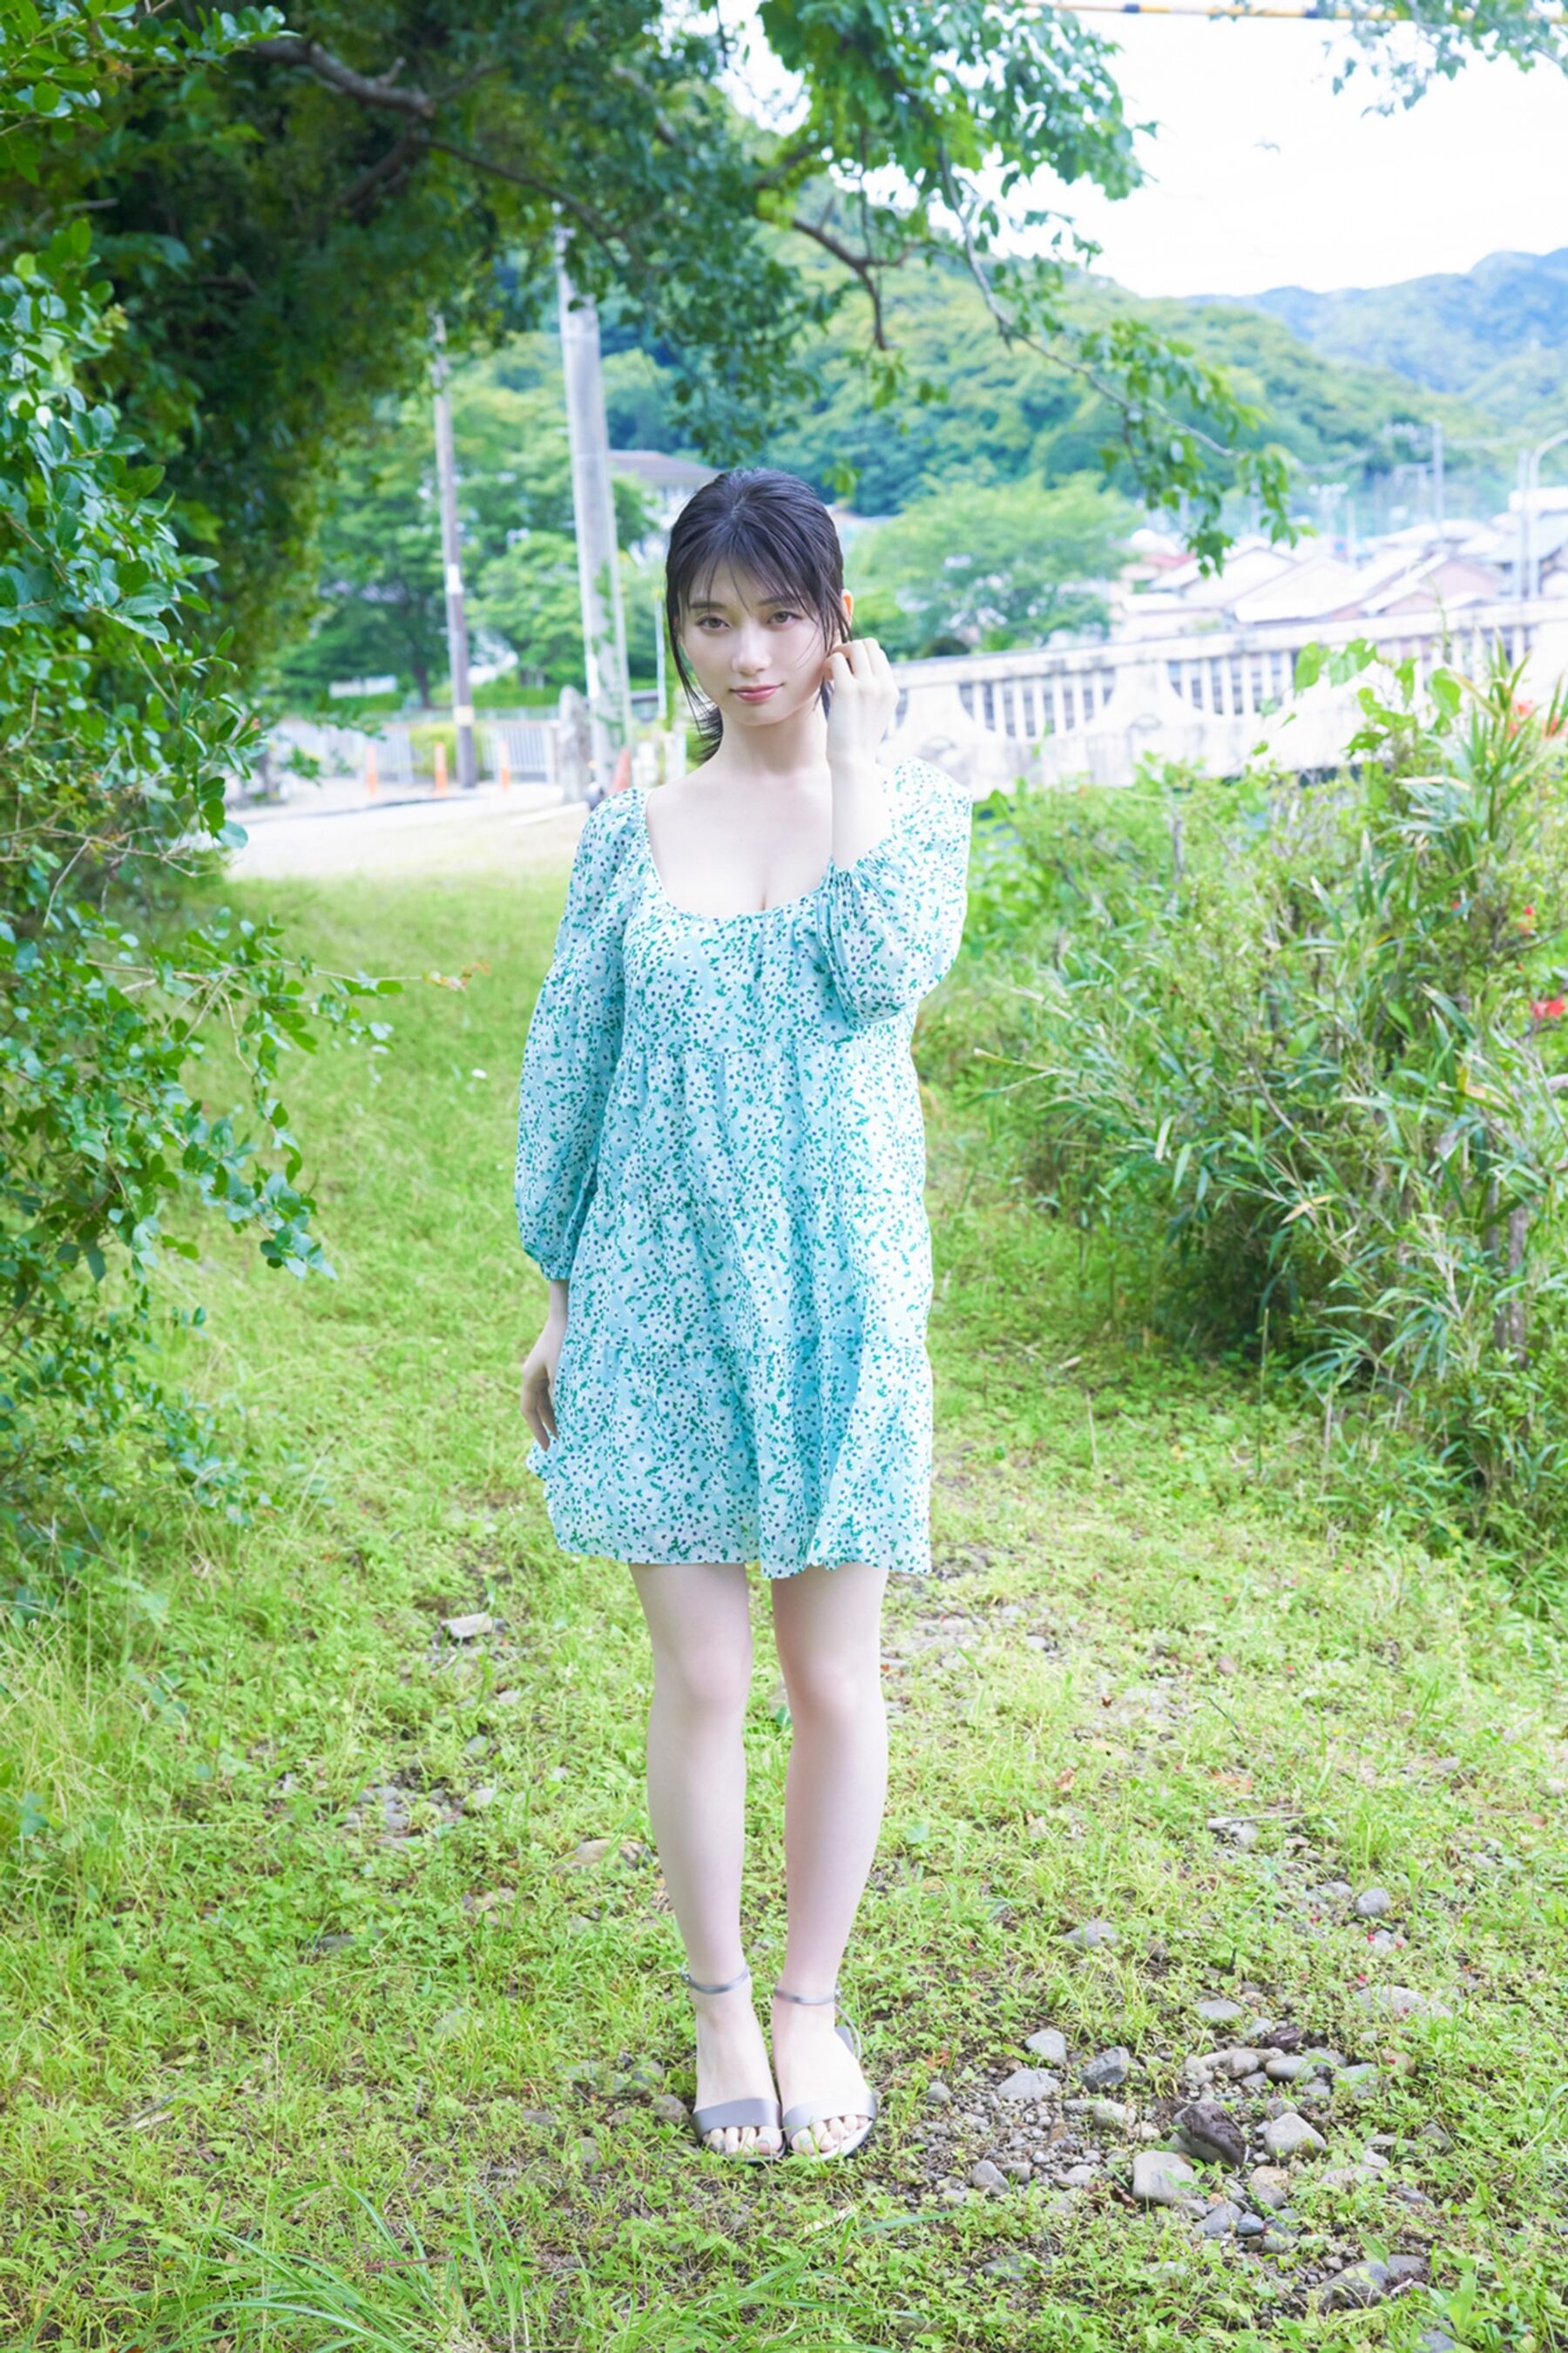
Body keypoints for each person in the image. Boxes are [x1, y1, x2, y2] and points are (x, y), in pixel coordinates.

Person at [514, 467, 973, 2164]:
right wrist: (559, 1298)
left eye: (782, 614)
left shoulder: (910, 815)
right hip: (658, 1289)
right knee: (704, 1674)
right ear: (680, 635)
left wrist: (856, 765)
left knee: (832, 1678)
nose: (750, 653)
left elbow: (877, 970)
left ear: (837, 624)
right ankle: (719, 2001)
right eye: (713, 620)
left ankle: (807, 2003)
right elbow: (574, 1071)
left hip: (842, 1293)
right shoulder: (630, 834)